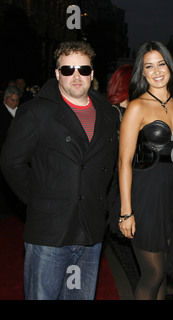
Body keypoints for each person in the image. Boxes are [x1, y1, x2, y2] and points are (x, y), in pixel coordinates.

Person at [0, 41, 120, 300]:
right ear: (57, 74)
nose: (76, 76)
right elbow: (11, 163)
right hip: (49, 230)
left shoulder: (108, 114)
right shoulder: (36, 111)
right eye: (68, 70)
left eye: (83, 69)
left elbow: (111, 168)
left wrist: (109, 207)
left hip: (90, 229)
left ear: (92, 73)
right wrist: (40, 200)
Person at [116, 41, 173, 300]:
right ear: (142, 72)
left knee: (163, 271)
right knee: (152, 273)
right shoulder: (137, 107)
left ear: (170, 67)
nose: (156, 71)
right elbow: (124, 161)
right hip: (145, 192)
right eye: (149, 66)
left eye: (161, 64)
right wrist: (125, 211)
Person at [104, 64, 141, 292]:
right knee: (126, 246)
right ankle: (143, 289)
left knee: (131, 248)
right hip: (116, 191)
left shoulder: (125, 112)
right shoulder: (114, 114)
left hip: (121, 188)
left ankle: (145, 288)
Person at [0, 85, 24, 221]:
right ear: (5, 98)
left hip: (17, 155)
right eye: (12, 100)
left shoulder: (21, 112)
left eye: (16, 100)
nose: (14, 103)